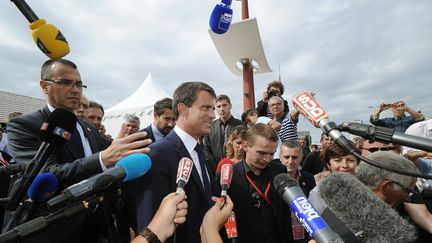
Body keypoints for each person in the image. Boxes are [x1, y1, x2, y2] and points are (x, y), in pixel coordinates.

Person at [4, 59, 151, 242]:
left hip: (95, 225)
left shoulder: (87, 128)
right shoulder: (25, 125)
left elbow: (112, 157)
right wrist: (102, 159)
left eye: (79, 84)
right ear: (44, 86)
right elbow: (46, 173)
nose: (75, 89)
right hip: (52, 228)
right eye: (65, 82)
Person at [136, 82, 218, 243]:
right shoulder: (157, 153)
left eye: (213, 109)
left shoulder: (199, 150)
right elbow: (150, 223)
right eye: (206, 108)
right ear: (182, 109)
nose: (213, 115)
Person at [220, 123, 295, 243]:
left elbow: (285, 215)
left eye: (271, 154)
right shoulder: (228, 176)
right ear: (245, 146)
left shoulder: (279, 171)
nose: (267, 159)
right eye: (261, 153)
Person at [309, 142, 360, 213]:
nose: (344, 165)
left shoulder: (369, 189)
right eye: (338, 160)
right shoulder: (319, 193)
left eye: (350, 160)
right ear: (328, 164)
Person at [203, 94, 245, 173]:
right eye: (218, 106)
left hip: (238, 168)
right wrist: (216, 168)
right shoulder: (210, 126)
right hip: (215, 170)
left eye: (224, 105)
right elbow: (206, 149)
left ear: (230, 106)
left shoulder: (242, 125)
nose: (222, 109)